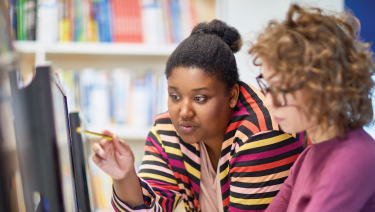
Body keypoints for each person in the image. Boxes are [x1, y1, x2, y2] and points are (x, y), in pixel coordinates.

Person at [92, 20, 303, 212]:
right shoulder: (169, 130)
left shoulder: (261, 134)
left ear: (232, 95)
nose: (184, 112)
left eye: (200, 98)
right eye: (175, 96)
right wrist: (125, 176)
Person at [248, 4, 375, 212]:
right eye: (268, 87)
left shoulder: (356, 157)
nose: (267, 101)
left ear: (323, 86)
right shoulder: (307, 157)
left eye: (280, 88)